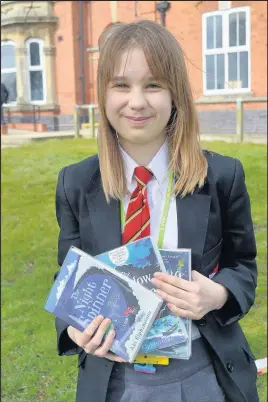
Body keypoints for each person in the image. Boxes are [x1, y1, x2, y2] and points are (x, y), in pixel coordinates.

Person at [54, 20, 258, 402]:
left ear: (175, 93)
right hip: (115, 379)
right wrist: (75, 330)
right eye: (121, 85)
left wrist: (216, 295)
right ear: (104, 95)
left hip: (203, 371)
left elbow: (243, 266)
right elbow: (68, 279)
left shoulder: (221, 176)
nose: (136, 101)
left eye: (153, 84)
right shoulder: (76, 183)